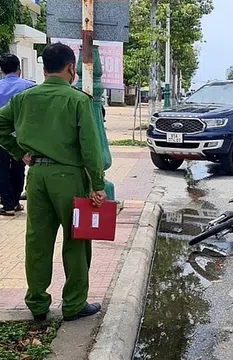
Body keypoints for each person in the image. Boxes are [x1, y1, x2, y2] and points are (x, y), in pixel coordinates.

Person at [0, 43, 107, 322]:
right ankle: (73, 305)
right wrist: (97, 184)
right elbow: (90, 148)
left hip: (36, 177)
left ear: (44, 68)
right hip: (69, 178)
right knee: (76, 240)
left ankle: (37, 303)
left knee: (37, 241)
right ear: (71, 68)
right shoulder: (77, 100)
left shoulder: (24, 98)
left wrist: (18, 152)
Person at [0, 54, 35, 216]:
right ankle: (15, 202)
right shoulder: (30, 87)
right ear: (19, 70)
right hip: (22, 136)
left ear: (1, 70)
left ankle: (7, 205)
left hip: (1, 137)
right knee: (18, 169)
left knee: (2, 171)